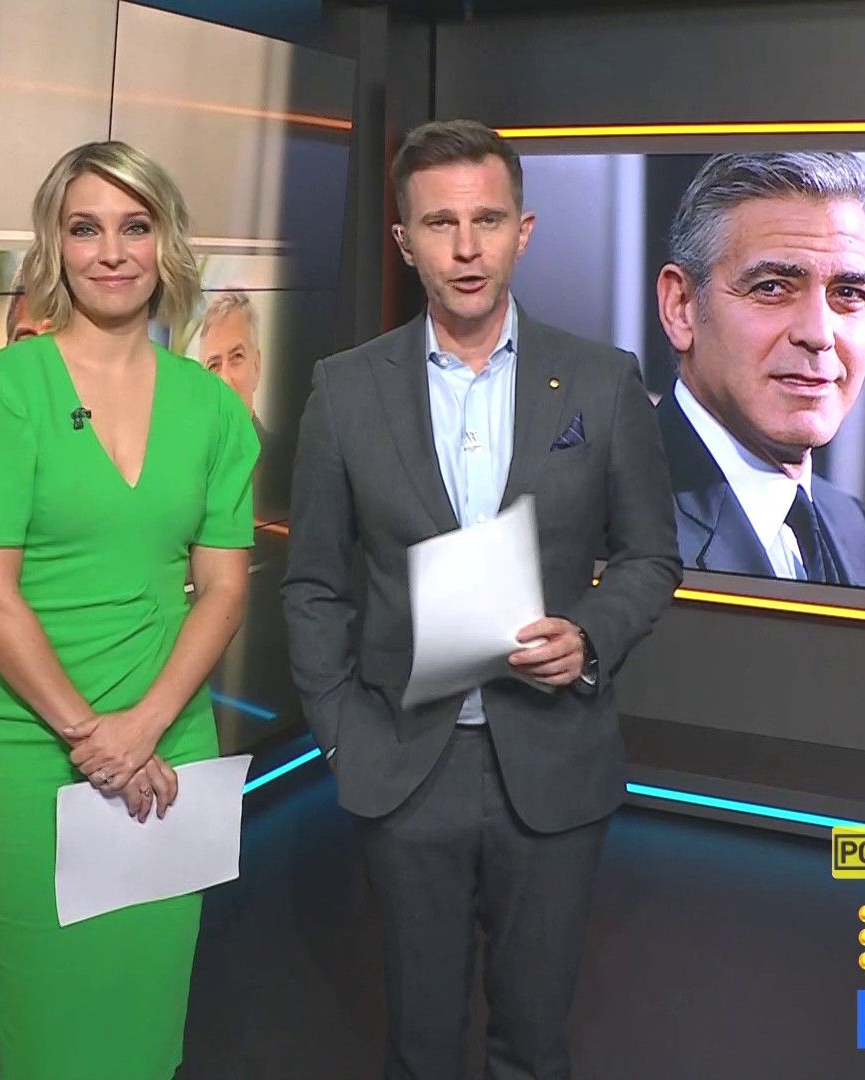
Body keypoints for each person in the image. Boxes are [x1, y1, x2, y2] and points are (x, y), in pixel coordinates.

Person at [282, 119, 681, 1079]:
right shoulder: (345, 392)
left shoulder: (603, 381)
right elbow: (315, 585)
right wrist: (342, 737)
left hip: (553, 763)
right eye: (440, 224)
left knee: (533, 1043)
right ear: (403, 240)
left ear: (523, 232)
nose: (466, 248)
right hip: (404, 767)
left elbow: (650, 557)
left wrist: (588, 636)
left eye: (488, 221)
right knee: (419, 1043)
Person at [0, 141, 256, 1079]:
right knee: (51, 1024)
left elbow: (224, 589)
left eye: (134, 226)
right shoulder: (0, 391)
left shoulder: (213, 409)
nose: (111, 251)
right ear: (56, 246)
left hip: (169, 741)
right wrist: (92, 738)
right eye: (85, 228)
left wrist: (142, 730)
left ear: (165, 243)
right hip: (36, 746)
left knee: (146, 1017)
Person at [653, 151, 865, 587]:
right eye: (773, 287)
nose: (819, 334)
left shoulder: (853, 529)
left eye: (848, 293)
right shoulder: (603, 521)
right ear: (681, 307)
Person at [197, 290, 268, 446]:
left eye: (236, 357)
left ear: (256, 367)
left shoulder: (286, 456)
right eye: (214, 365)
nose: (225, 380)